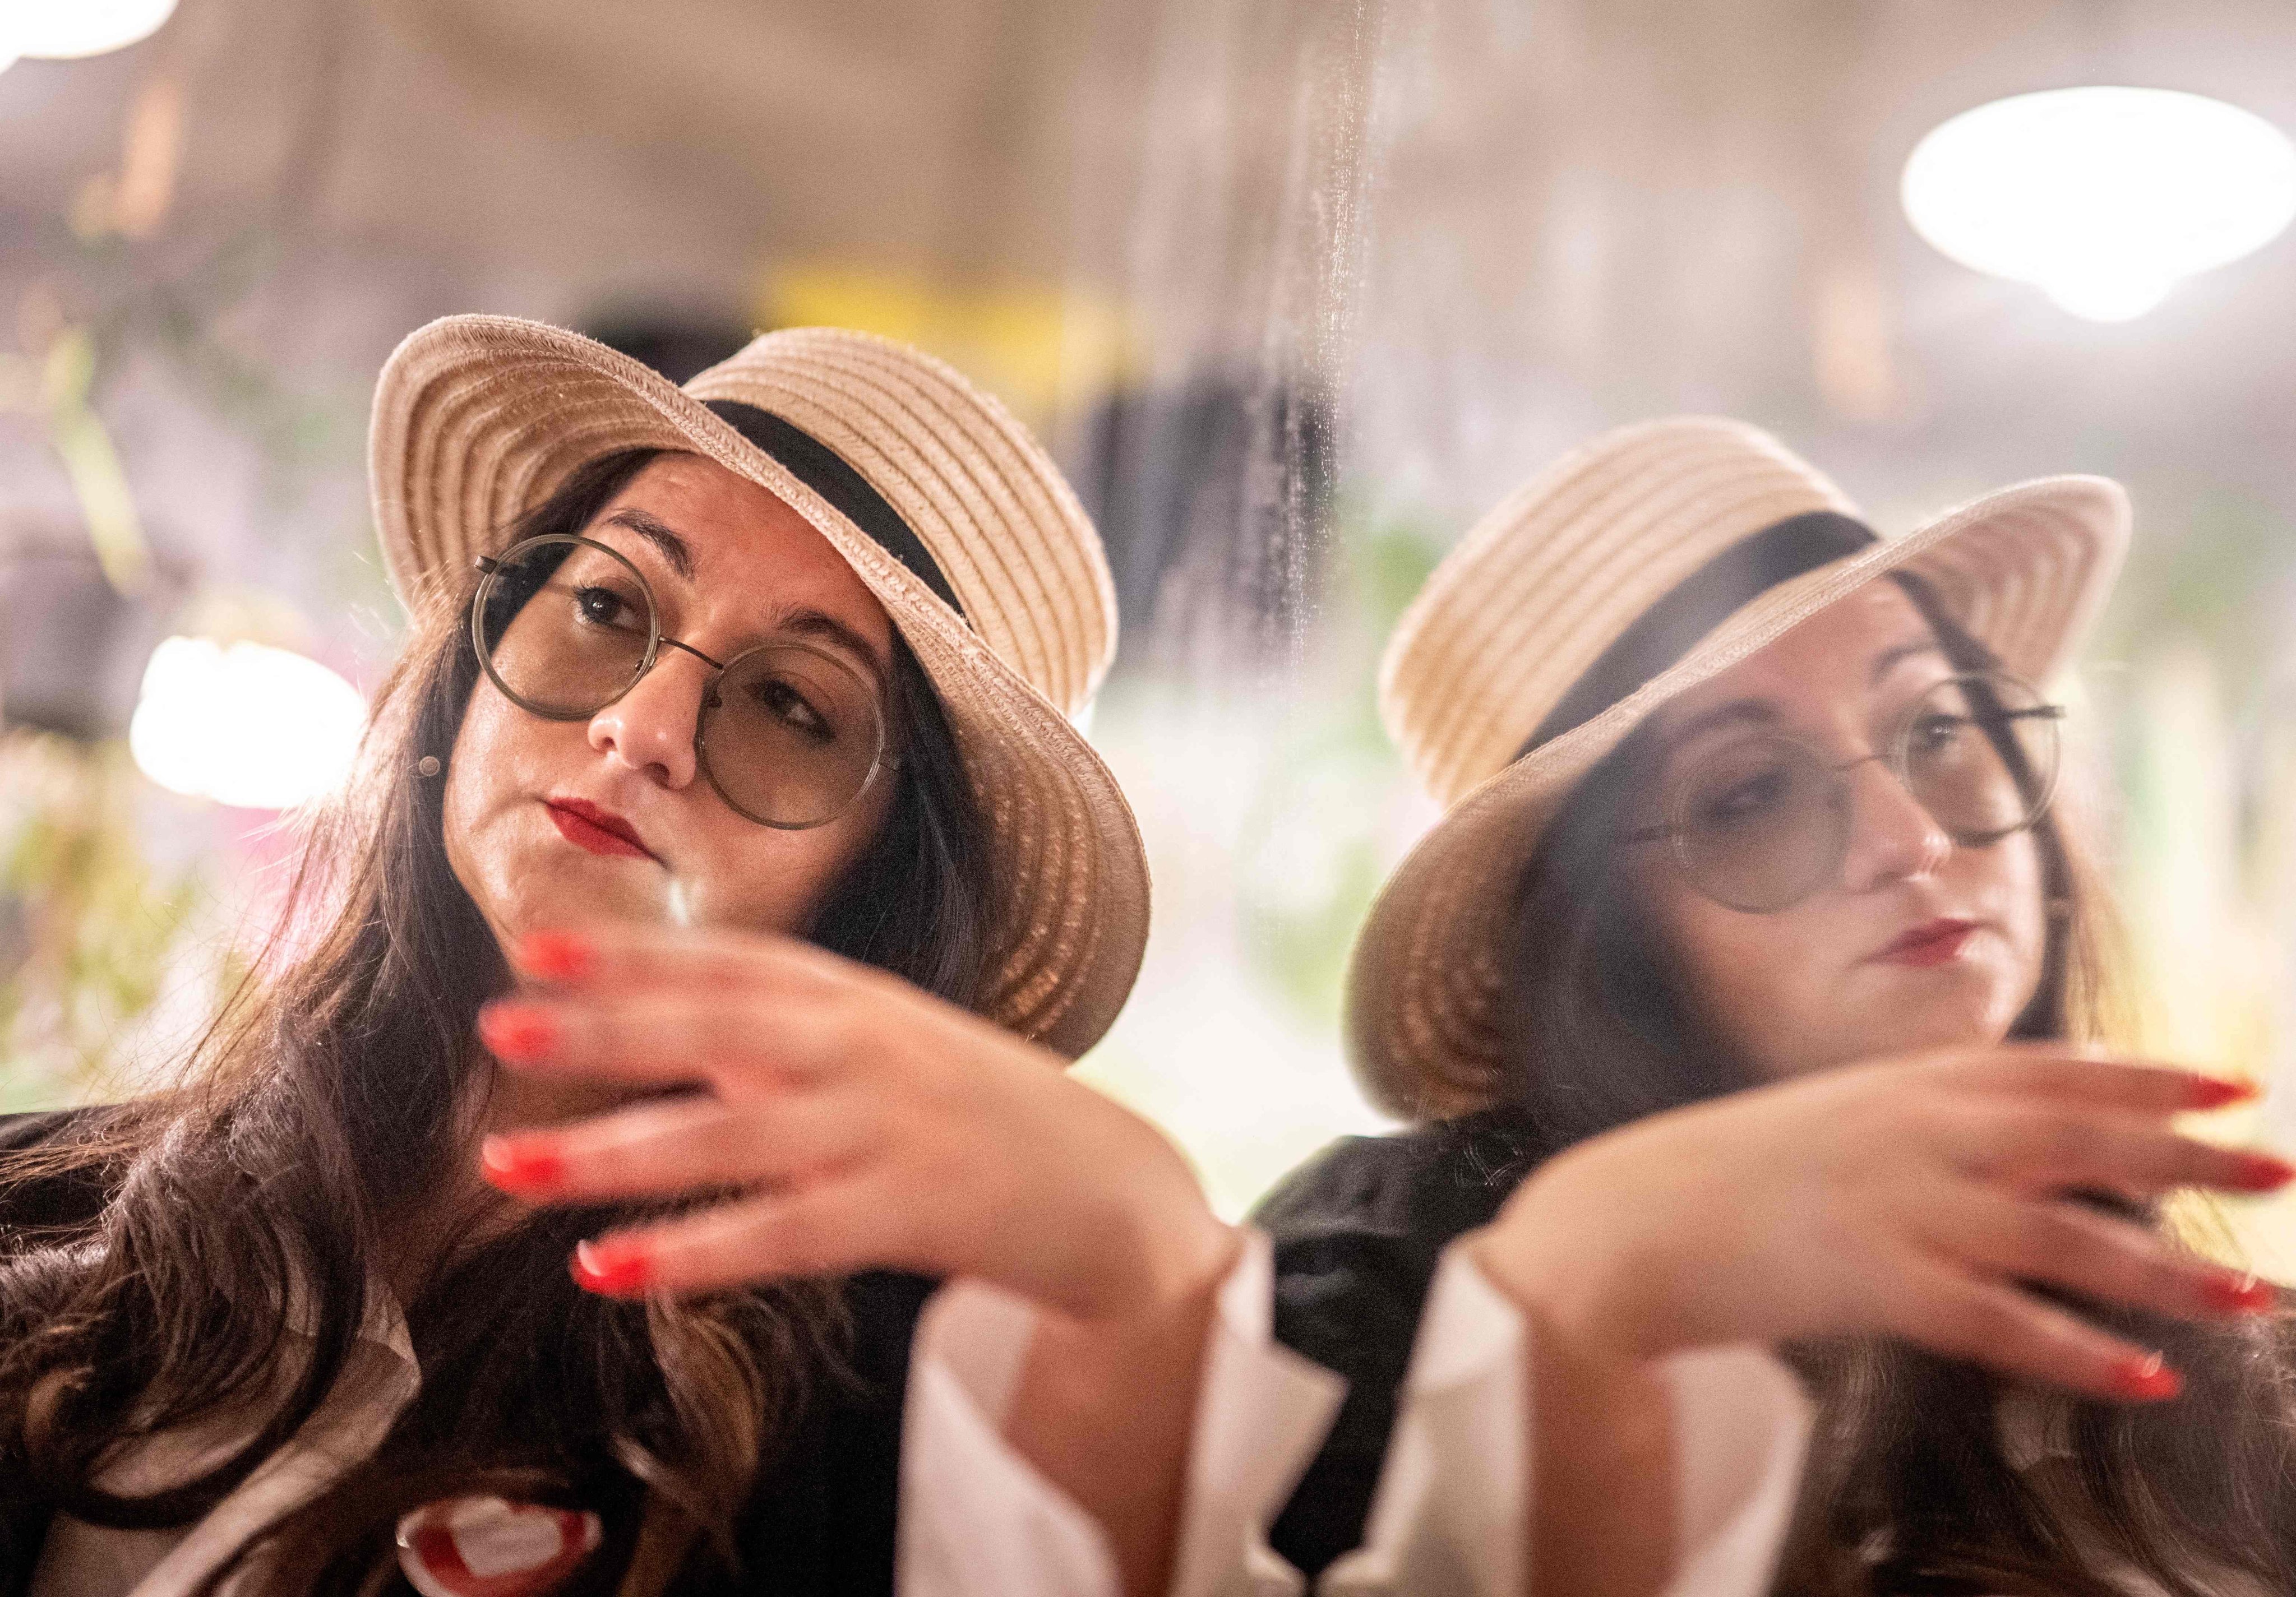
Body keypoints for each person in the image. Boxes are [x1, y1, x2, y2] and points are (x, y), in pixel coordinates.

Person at [0, 316, 1278, 1597]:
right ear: (470, 677)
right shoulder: (38, 1206)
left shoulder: (866, 1456)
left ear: (875, 889)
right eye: (607, 604)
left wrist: (1154, 1265)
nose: (642, 724)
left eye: (792, 706)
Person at [1256, 418, 2296, 1595]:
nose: (1909, 839)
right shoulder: (1394, 1282)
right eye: (1750, 794)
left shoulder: (2228, 1364)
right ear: (1602, 944)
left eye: (1938, 729)